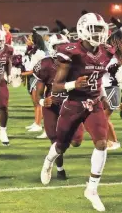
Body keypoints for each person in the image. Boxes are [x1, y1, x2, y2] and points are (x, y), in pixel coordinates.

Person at [40, 13, 113, 212]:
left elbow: (97, 77)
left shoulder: (106, 51)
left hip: (94, 103)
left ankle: (92, 189)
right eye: (94, 29)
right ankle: (48, 161)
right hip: (73, 103)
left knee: (101, 143)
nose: (98, 33)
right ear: (82, 30)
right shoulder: (71, 51)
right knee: (61, 146)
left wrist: (104, 95)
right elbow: (55, 87)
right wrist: (73, 84)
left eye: (100, 29)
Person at [33, 33, 84, 180]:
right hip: (53, 106)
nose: (61, 49)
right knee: (55, 141)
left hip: (71, 105)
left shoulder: (77, 63)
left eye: (63, 46)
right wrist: (43, 101)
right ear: (52, 48)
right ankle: (59, 168)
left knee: (76, 141)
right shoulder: (46, 64)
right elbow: (39, 92)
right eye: (58, 46)